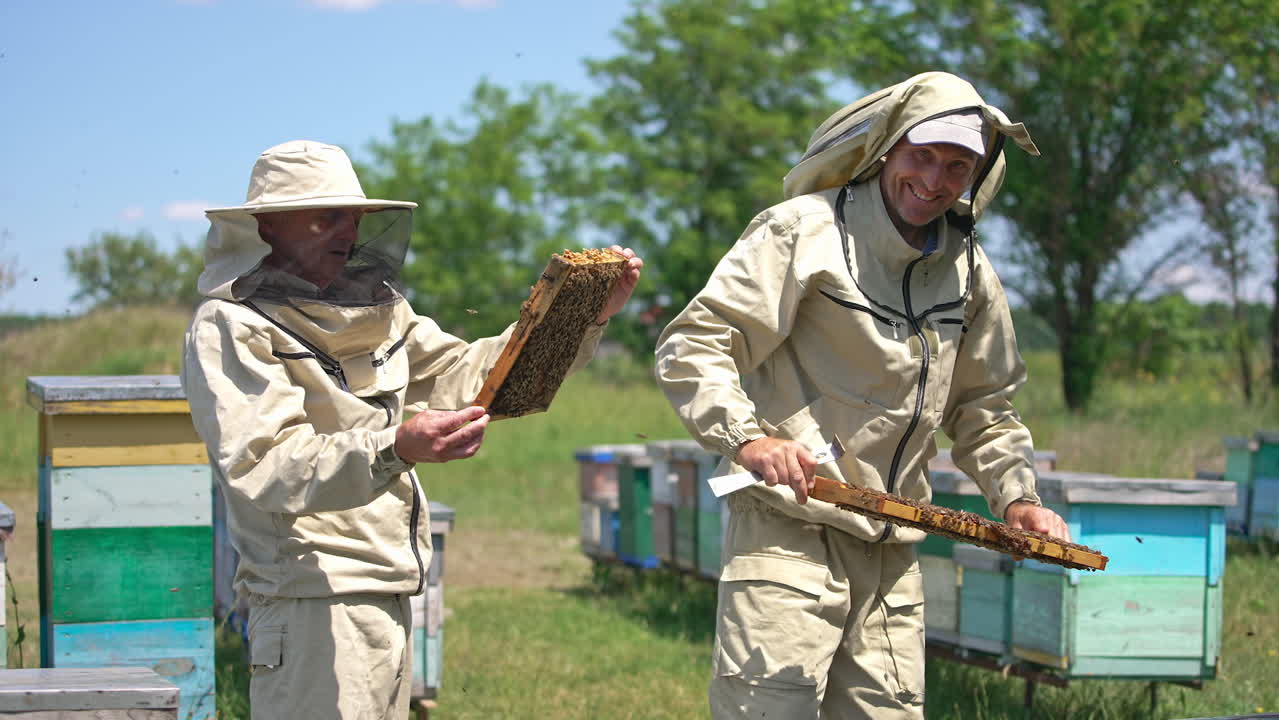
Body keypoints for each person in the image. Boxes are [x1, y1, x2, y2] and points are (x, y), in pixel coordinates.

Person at [654, 72, 1069, 719]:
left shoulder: (968, 272)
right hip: (789, 530)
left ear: (977, 175)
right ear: (887, 148)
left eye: (956, 166)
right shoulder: (801, 233)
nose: (933, 181)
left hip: (894, 548)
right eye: (921, 157)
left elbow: (984, 408)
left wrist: (1018, 498)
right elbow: (696, 344)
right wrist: (748, 436)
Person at [181, 139, 642, 719]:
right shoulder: (232, 328)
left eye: (354, 216)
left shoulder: (380, 310)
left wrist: (582, 317)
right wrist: (394, 446)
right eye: (326, 216)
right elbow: (266, 466)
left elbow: (472, 379)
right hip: (309, 599)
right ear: (269, 227)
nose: (346, 230)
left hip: (390, 587)